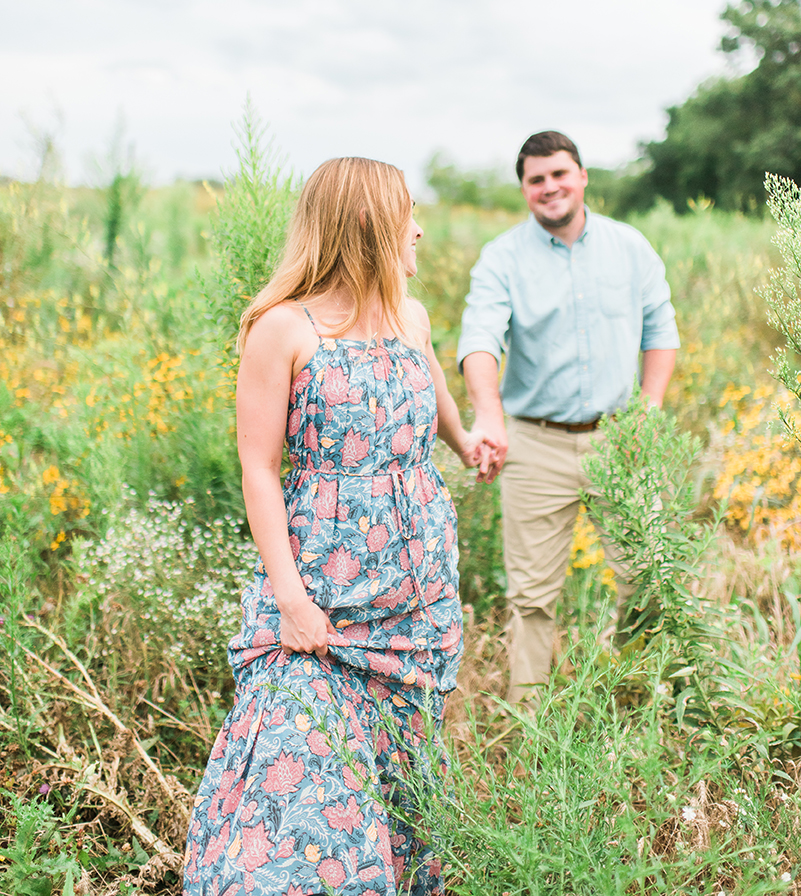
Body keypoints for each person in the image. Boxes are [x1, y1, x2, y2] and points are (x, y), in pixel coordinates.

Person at [184, 157, 490, 896]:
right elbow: (258, 468)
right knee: (299, 788)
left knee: (397, 775)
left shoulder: (408, 315)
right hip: (321, 596)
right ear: (365, 223)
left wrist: (465, 441)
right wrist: (289, 598)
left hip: (413, 596)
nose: (417, 228)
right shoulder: (283, 329)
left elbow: (433, 394)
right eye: (405, 212)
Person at [457, 130, 679, 704]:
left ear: (582, 177)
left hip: (620, 440)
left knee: (648, 575)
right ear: (524, 190)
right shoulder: (502, 258)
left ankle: (630, 696)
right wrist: (490, 415)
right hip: (535, 444)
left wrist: (648, 413)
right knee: (531, 596)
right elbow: (480, 337)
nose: (550, 187)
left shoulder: (630, 247)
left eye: (559, 174)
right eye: (536, 179)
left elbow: (661, 330)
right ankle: (528, 718)